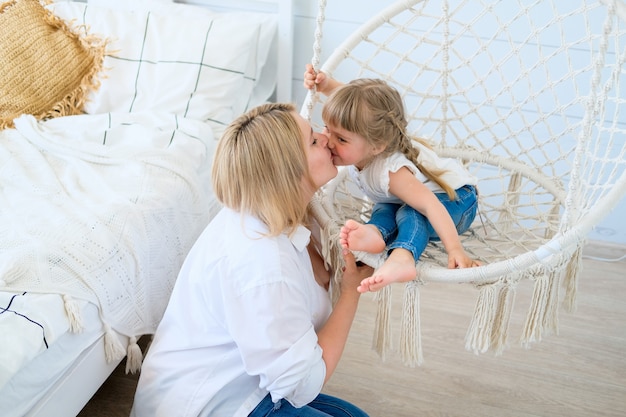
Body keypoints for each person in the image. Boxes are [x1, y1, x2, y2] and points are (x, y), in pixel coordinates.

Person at [130, 103, 372, 417]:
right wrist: (351, 293)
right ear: (286, 170)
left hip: (246, 386)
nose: (326, 138)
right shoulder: (263, 262)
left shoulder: (282, 213)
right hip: (210, 406)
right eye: (313, 140)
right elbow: (304, 385)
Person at [304, 64, 482, 293]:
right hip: (423, 201)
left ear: (377, 146)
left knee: (408, 212)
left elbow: (430, 204)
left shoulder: (392, 172)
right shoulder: (368, 137)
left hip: (457, 202)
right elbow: (357, 105)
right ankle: (375, 233)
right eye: (327, 129)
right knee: (384, 208)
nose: (328, 140)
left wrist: (455, 249)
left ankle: (403, 256)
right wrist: (327, 86)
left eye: (341, 139)